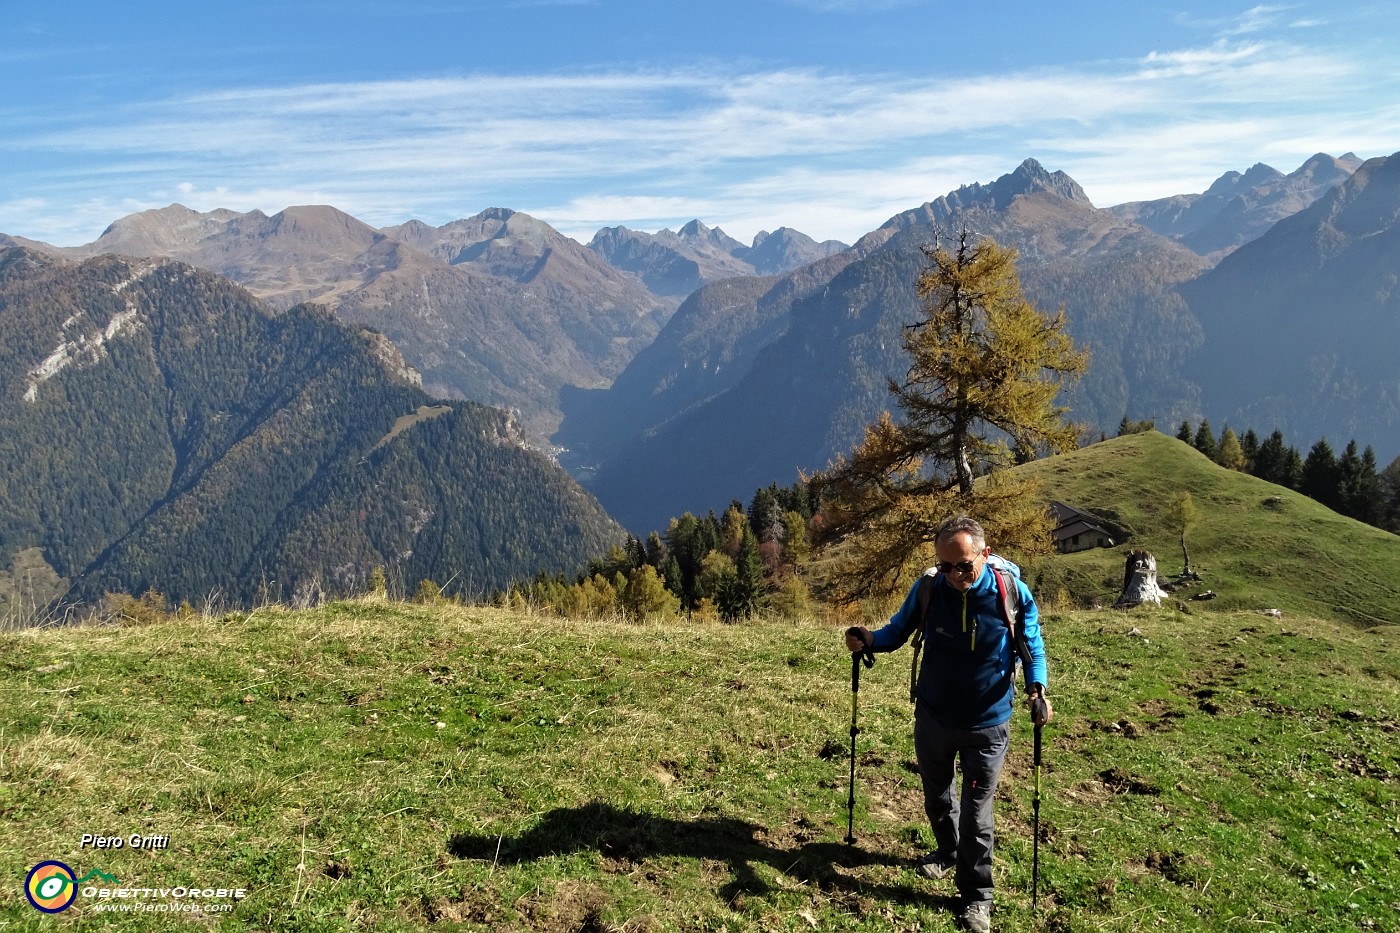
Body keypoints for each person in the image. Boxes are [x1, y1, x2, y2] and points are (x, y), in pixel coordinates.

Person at [844, 515, 1052, 933]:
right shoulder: (928, 589)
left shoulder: (1009, 591)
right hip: (934, 716)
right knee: (937, 797)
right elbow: (898, 630)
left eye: (964, 566)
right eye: (945, 566)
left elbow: (1030, 641)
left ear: (985, 555)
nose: (955, 575)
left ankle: (978, 898)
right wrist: (869, 639)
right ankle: (947, 852)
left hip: (988, 722)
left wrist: (1037, 688)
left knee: (977, 814)